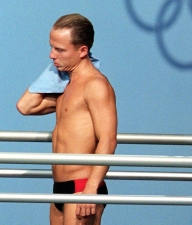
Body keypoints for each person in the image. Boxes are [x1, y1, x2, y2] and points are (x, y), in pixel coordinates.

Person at [16, 14, 117, 225]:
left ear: (83, 51)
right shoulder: (64, 86)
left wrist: (91, 188)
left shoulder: (96, 85)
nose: (51, 55)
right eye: (52, 47)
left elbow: (108, 139)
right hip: (60, 187)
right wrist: (55, 70)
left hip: (83, 186)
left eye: (60, 50)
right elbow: (25, 106)